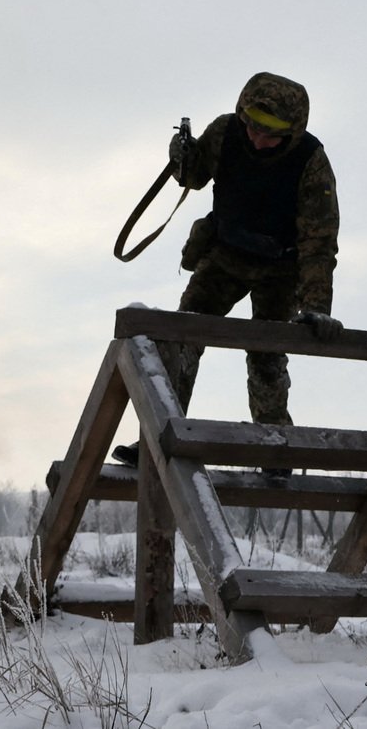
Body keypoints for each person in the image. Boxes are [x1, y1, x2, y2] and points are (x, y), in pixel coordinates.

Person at [113, 72, 342, 483]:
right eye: (252, 126)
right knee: (181, 338)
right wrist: (182, 155)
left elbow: (319, 242)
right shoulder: (225, 131)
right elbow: (194, 175)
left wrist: (316, 307)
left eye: (270, 134)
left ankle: (274, 446)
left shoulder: (312, 162)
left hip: (281, 269)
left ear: (292, 131)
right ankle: (158, 434)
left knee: (267, 354)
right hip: (224, 255)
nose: (257, 138)